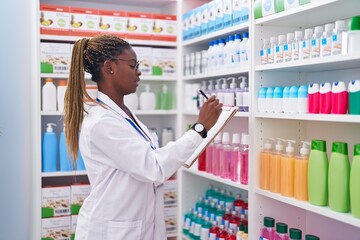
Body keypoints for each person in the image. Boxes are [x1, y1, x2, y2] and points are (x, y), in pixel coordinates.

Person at [64, 34, 222, 240]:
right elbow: (153, 168)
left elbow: (151, 160)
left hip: (135, 227)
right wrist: (200, 128)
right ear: (109, 67)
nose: (138, 72)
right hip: (112, 232)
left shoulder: (124, 114)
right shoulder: (102, 122)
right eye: (132, 66)